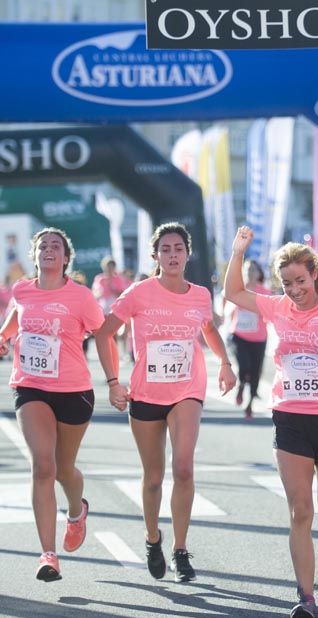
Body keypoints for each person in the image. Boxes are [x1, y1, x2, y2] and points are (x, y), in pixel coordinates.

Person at [224, 226, 318, 618]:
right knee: (300, 511)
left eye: (300, 281)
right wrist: (238, 252)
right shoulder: (277, 307)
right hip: (290, 417)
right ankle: (307, 598)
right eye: (286, 283)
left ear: (314, 275)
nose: (294, 290)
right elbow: (234, 294)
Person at [94, 222, 236, 584]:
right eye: (166, 249)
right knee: (154, 478)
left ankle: (180, 550)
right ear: (155, 256)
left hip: (187, 389)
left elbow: (207, 329)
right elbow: (105, 332)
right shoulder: (139, 293)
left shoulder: (200, 295)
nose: (173, 255)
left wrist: (224, 362)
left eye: (178, 248)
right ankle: (153, 539)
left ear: (187, 253)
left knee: (184, 469)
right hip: (145, 394)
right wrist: (113, 382)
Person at [0, 227, 113, 582]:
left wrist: (114, 381)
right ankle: (48, 555)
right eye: (42, 245)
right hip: (30, 386)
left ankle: (76, 511)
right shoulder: (22, 289)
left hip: (74, 391)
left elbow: (104, 333)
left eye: (55, 246)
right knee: (42, 466)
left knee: (64, 469)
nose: (48, 249)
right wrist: (3, 337)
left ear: (65, 258)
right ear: (35, 255)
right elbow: (16, 315)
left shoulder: (81, 296)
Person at [229, 259, 272, 418]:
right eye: (247, 269)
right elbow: (227, 305)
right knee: (244, 365)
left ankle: (250, 404)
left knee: (255, 373)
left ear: (259, 273)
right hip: (239, 335)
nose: (250, 272)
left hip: (259, 338)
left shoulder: (265, 292)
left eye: (253, 270)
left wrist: (259, 310)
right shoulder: (237, 289)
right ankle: (241, 385)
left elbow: (270, 313)